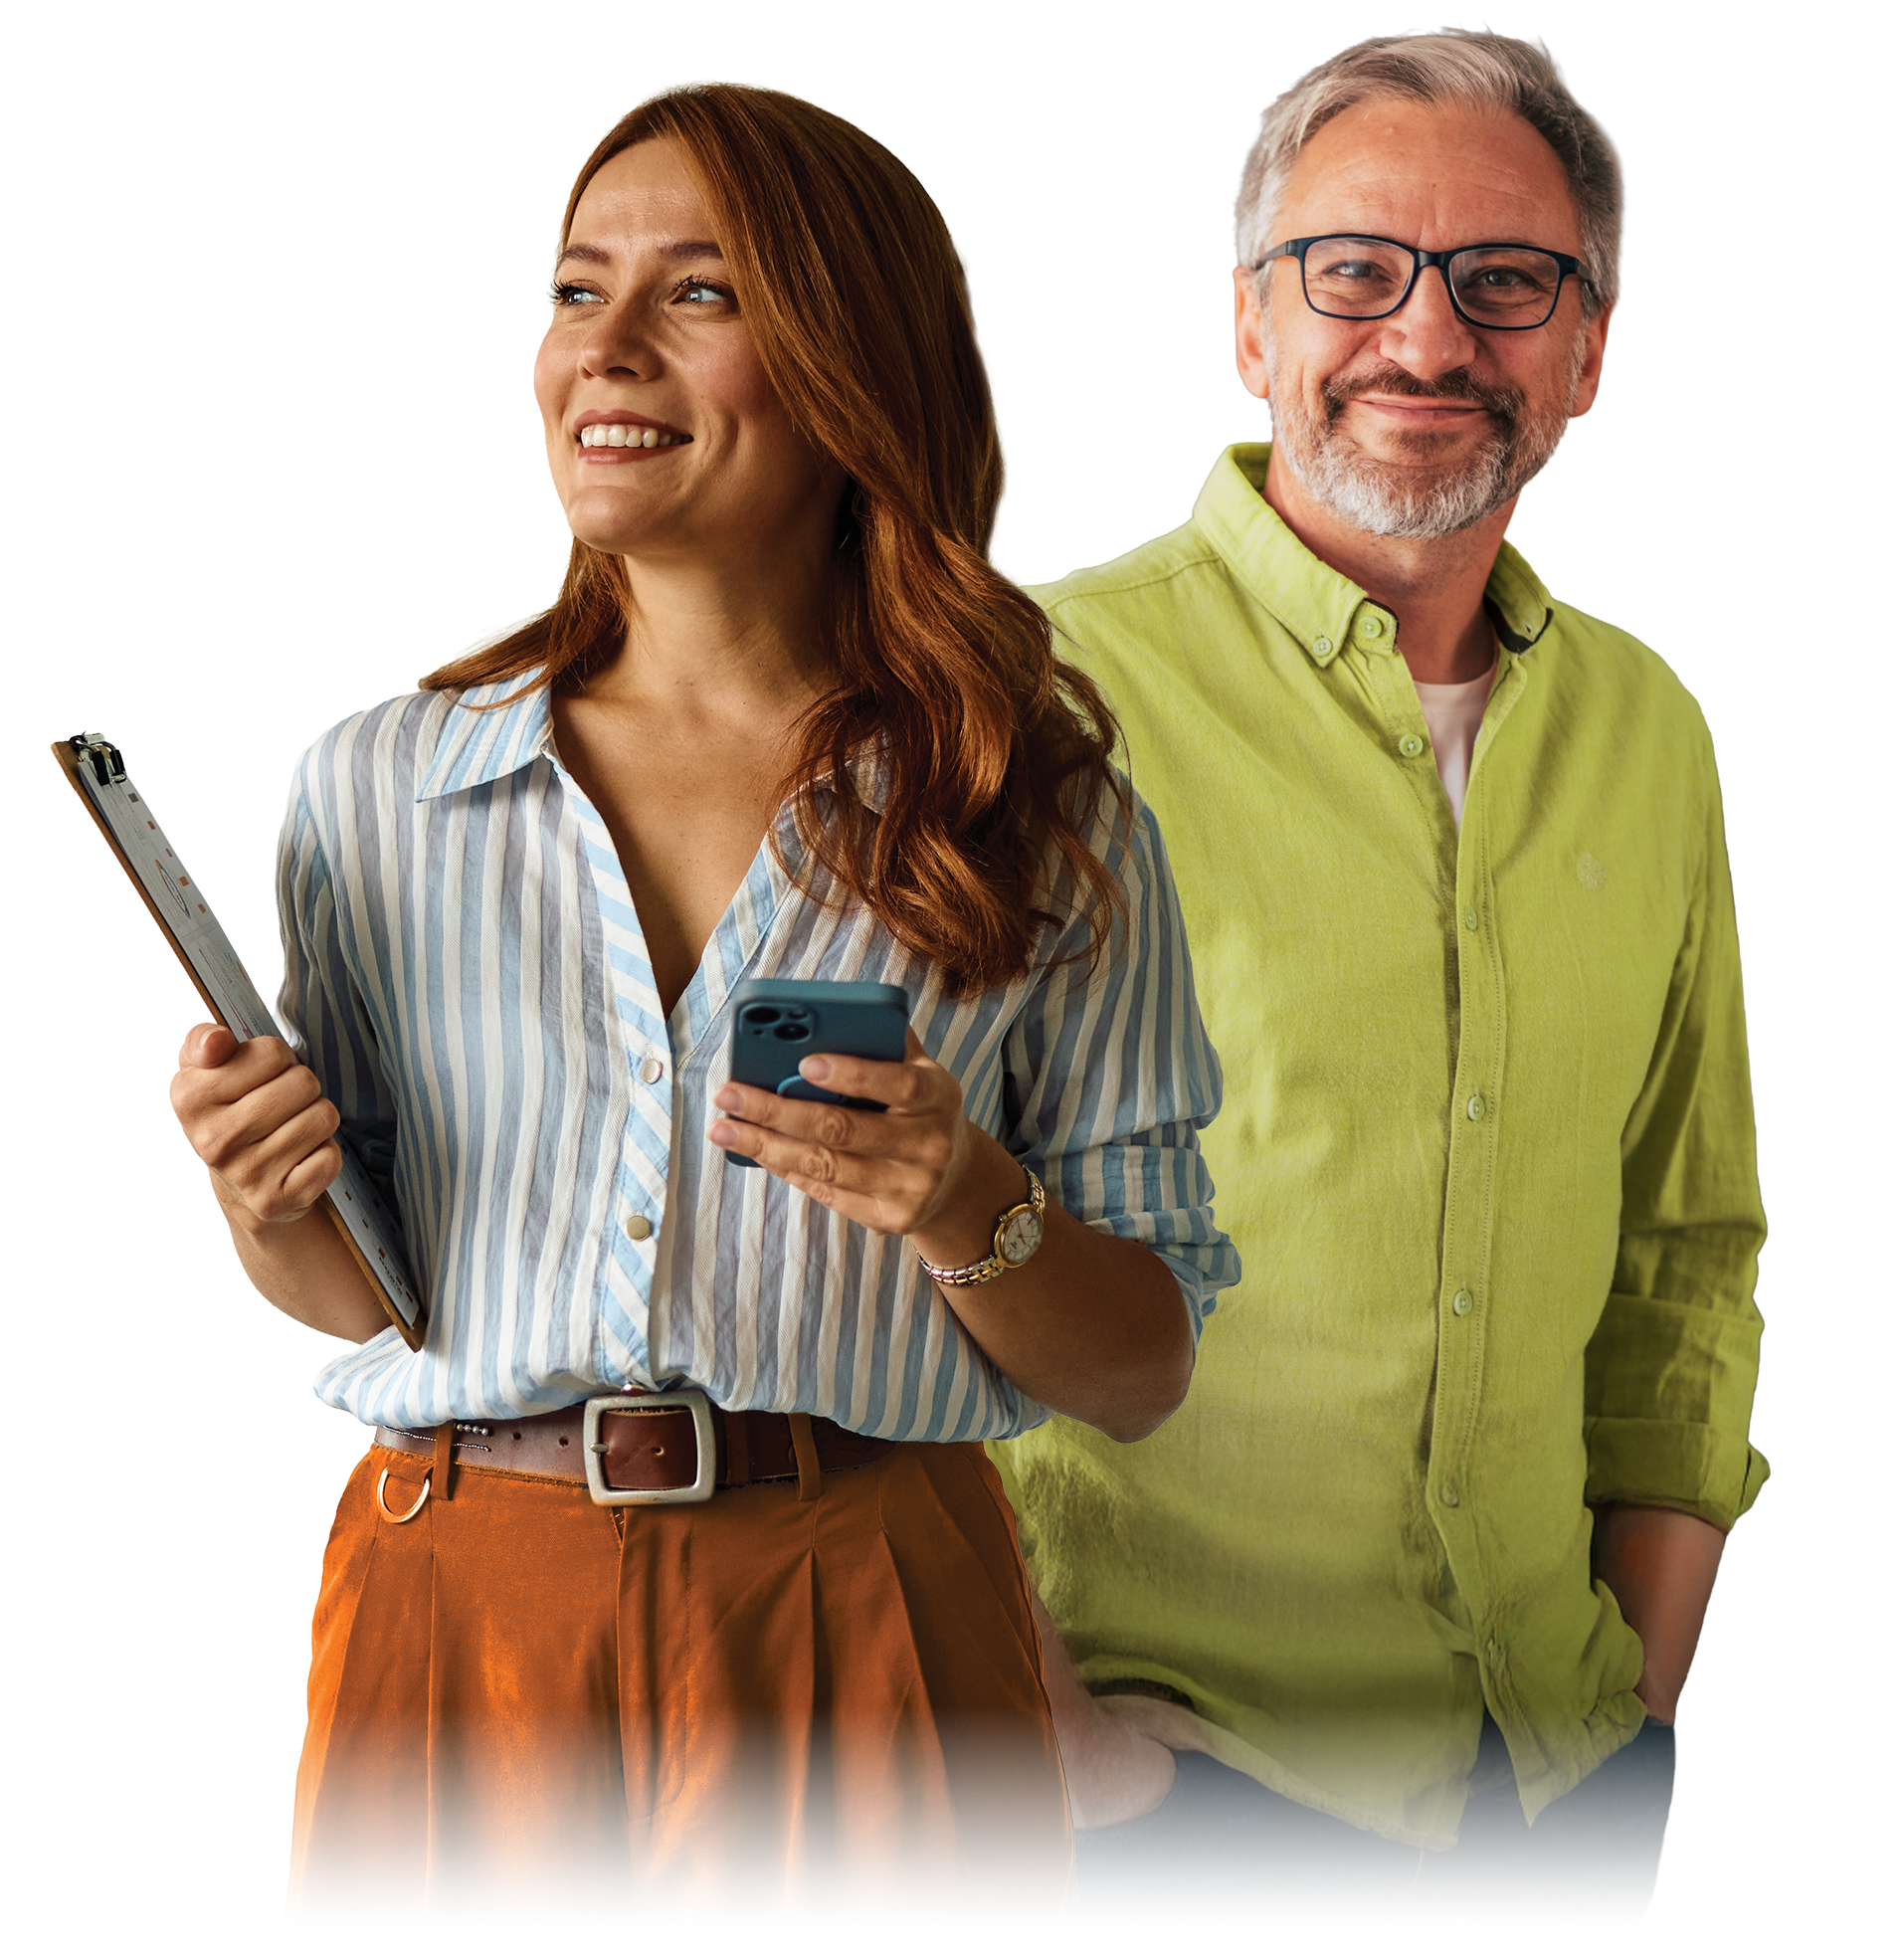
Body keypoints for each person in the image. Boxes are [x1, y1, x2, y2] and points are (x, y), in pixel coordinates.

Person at [168, 79, 1238, 1942]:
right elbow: (350, 1297)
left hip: (873, 1604)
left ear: (849, 362)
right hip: (458, 1609)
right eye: (577, 291)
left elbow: (1139, 1367)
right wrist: (267, 1205)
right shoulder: (374, 791)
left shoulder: (1031, 812)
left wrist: (961, 1197)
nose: (605, 348)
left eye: (698, 292)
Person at [986, 29, 1771, 1943]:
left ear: (1584, 348)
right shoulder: (1025, 698)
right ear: (1250, 322)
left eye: (1504, 281)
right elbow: (846, 1262)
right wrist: (1067, 1754)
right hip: (1152, 1810)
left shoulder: (1649, 731)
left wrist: (1641, 1676)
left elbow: (1682, 1246)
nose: (1426, 336)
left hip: (1565, 1780)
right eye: (1354, 270)